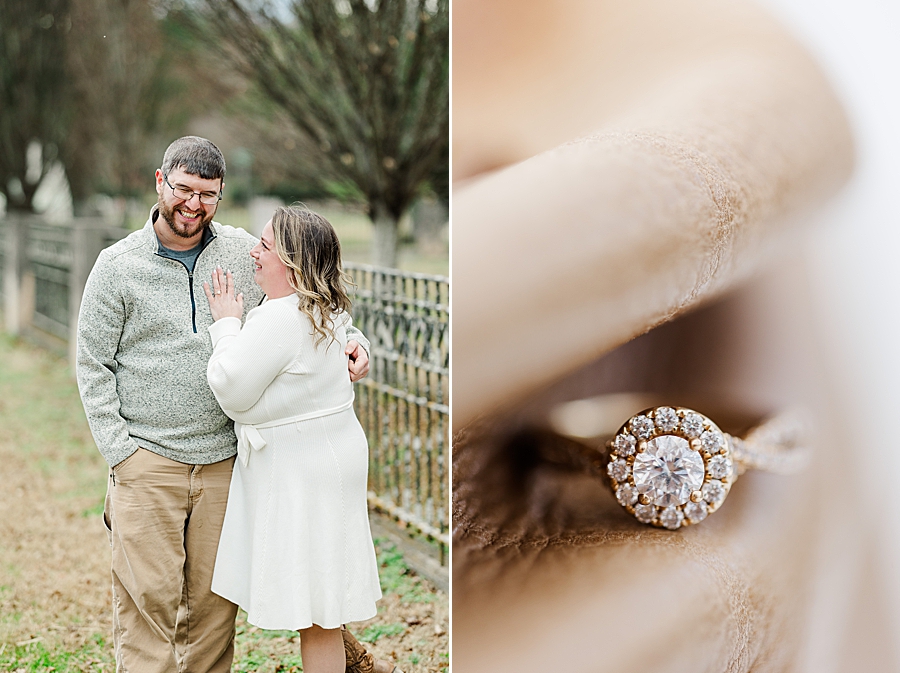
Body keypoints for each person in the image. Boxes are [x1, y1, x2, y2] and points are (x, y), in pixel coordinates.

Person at [76, 136, 393, 672]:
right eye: (183, 189)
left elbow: (307, 298)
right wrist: (122, 454)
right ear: (160, 182)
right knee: (147, 610)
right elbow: (91, 364)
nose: (193, 204)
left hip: (228, 465)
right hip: (149, 463)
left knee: (213, 616)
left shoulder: (246, 252)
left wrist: (354, 341)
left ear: (220, 195)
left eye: (208, 193)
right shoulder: (117, 266)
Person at [202, 206, 383, 673]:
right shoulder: (322, 307)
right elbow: (342, 341)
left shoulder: (277, 319)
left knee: (317, 610)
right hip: (331, 459)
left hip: (304, 471)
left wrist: (226, 323)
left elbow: (231, 390)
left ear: (294, 263)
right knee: (322, 605)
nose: (253, 252)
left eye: (265, 246)